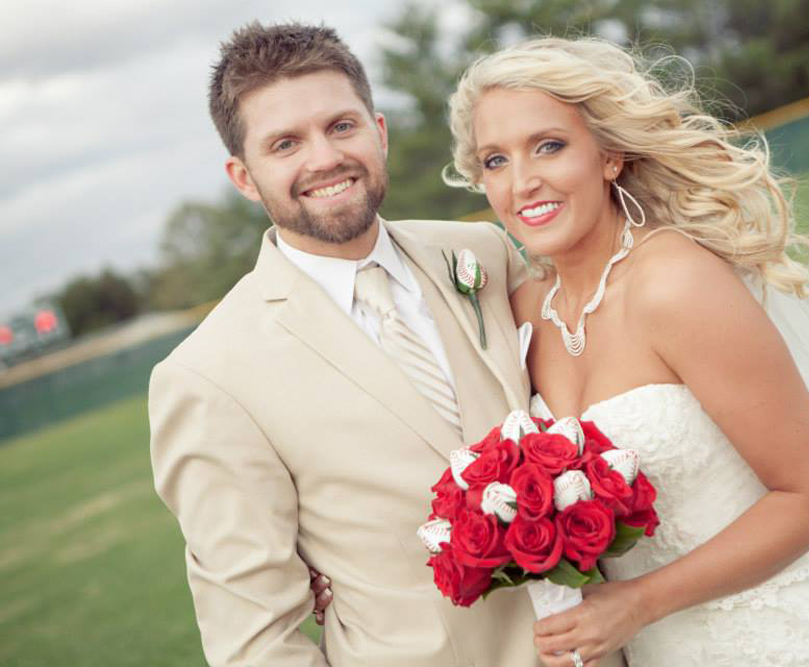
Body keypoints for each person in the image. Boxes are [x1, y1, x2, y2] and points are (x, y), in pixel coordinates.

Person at [444, 37, 809, 666]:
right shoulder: (521, 317)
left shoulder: (675, 282)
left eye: (549, 145)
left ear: (610, 156)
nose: (523, 182)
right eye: (495, 160)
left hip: (774, 638)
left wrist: (637, 603)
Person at [148, 22, 626, 667]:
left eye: (341, 127)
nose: (323, 158)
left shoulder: (484, 252)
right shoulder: (206, 377)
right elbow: (254, 642)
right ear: (244, 176)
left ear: (380, 131)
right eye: (285, 143)